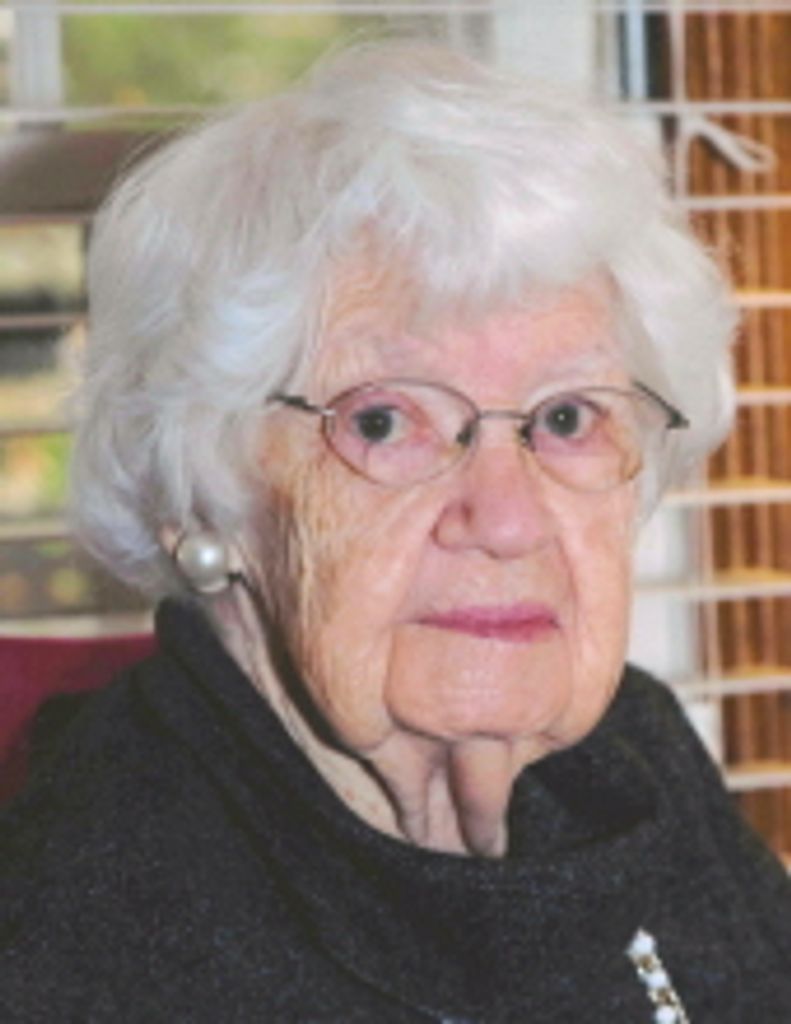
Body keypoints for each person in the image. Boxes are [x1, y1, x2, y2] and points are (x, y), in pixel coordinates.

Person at [1, 41, 790, 1024]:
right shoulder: (103, 944)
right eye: (382, 421)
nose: (506, 519)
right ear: (203, 495)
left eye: (565, 417)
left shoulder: (621, 760)